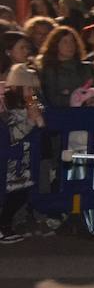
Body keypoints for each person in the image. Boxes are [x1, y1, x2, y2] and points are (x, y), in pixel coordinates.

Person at [1, 33, 43, 243]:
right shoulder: (7, 81)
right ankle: (4, 225)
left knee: (23, 186)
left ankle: (7, 224)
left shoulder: (27, 74)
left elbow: (35, 105)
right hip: (12, 140)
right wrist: (31, 117)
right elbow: (10, 115)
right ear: (8, 51)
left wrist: (34, 106)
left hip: (24, 143)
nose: (26, 52)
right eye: (21, 48)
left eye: (27, 48)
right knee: (11, 187)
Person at [37, 26, 94, 108]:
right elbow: (51, 98)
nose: (70, 45)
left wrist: (93, 97)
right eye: (65, 42)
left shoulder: (87, 67)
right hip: (63, 115)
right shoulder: (49, 70)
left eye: (72, 41)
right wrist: (77, 99)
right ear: (55, 45)